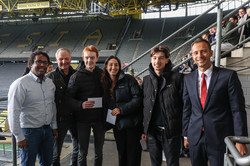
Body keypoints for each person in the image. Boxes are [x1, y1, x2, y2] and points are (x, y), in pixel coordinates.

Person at [183, 38, 248, 166]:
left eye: (203, 51)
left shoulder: (228, 76)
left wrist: (241, 140)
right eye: (196, 53)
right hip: (195, 137)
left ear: (211, 53)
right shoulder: (188, 79)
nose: (200, 56)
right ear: (192, 56)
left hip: (219, 137)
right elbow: (187, 108)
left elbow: (237, 109)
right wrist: (186, 135)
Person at [8, 51, 58, 165]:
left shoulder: (50, 83)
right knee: (28, 163)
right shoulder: (20, 84)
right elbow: (13, 112)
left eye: (45, 63)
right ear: (31, 64)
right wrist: (19, 136)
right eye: (39, 61)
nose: (42, 65)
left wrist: (54, 126)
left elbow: (52, 106)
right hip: (29, 133)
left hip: (47, 130)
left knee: (47, 163)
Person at [142, 45, 183, 166]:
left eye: (161, 58)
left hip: (171, 131)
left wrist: (183, 130)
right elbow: (144, 106)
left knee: (172, 163)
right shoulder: (146, 80)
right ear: (151, 60)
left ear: (167, 60)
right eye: (154, 58)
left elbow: (184, 105)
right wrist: (144, 129)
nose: (157, 61)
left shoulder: (177, 78)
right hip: (152, 132)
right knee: (155, 164)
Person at [66, 45, 105, 166]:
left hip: (99, 119)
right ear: (83, 58)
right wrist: (80, 104)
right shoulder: (76, 77)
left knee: (99, 151)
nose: (89, 61)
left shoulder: (102, 74)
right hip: (82, 120)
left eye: (92, 58)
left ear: (97, 58)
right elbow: (67, 98)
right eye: (87, 58)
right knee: (83, 152)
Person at [101, 56, 143, 166]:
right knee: (121, 154)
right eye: (110, 64)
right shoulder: (105, 82)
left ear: (120, 67)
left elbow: (138, 99)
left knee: (132, 155)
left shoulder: (129, 79)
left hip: (131, 123)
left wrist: (121, 109)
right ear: (106, 67)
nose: (113, 67)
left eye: (116, 65)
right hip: (117, 125)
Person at [47, 48, 78, 166]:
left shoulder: (78, 75)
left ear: (70, 59)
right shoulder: (50, 77)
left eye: (66, 58)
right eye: (61, 59)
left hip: (76, 118)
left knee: (78, 149)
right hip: (59, 120)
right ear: (56, 60)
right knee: (55, 154)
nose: (64, 61)